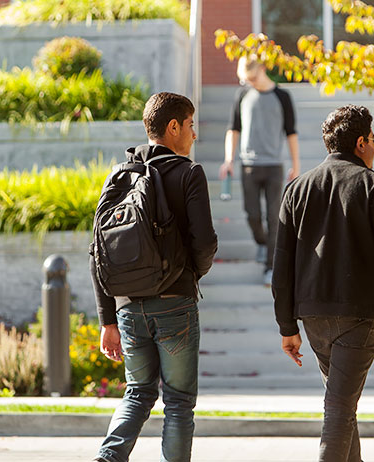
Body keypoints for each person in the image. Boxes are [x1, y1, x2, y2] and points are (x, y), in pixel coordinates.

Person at [272, 105, 374, 462]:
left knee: (342, 407)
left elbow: (282, 266)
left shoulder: (296, 190)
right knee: (338, 411)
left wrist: (287, 326)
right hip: (359, 318)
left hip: (313, 318)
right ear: (362, 142)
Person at [92, 92, 218, 462]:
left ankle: (108, 457)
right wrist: (192, 273)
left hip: (129, 307)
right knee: (178, 402)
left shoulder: (119, 176)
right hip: (174, 304)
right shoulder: (189, 172)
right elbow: (205, 243)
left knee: (137, 393)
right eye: (191, 125)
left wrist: (107, 319)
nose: (194, 134)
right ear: (173, 127)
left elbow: (96, 252)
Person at [220, 56, 300, 286]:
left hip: (274, 166)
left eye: (253, 78)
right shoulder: (243, 95)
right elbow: (233, 130)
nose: (250, 82)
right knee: (252, 215)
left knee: (274, 218)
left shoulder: (282, 97)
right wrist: (228, 159)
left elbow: (291, 133)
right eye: (246, 79)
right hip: (248, 166)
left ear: (263, 69)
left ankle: (270, 267)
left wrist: (296, 164)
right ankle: (264, 244)